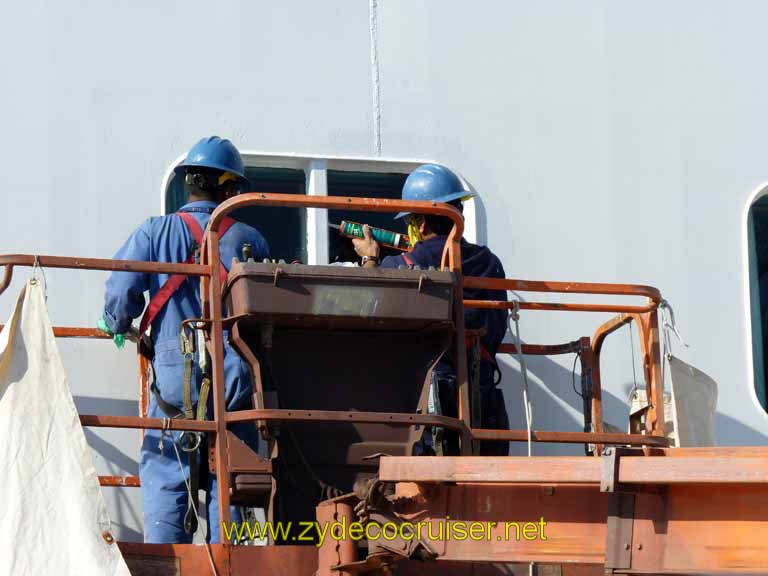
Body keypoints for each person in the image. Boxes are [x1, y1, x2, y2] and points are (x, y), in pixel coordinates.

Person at [99, 136, 269, 543]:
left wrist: (120, 325)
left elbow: (120, 295)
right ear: (229, 187)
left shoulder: (154, 233)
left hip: (175, 389)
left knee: (166, 480)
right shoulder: (251, 239)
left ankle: (163, 562)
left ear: (188, 183)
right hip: (234, 393)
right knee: (230, 491)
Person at [351, 163, 510, 455]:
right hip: (481, 408)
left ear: (420, 223)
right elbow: (498, 327)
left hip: (425, 413)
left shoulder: (398, 266)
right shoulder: (490, 263)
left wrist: (371, 261)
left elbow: (371, 320)